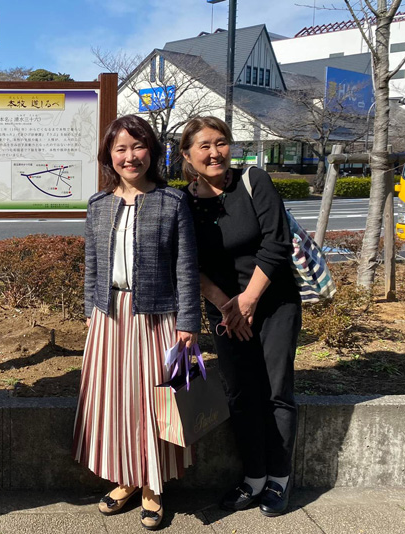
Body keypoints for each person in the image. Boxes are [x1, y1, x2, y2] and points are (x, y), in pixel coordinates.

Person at [72, 114, 200, 530]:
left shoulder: (172, 202)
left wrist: (188, 322)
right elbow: (92, 265)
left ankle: (152, 485)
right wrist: (91, 311)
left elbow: (186, 266)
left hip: (157, 316)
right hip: (110, 317)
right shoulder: (99, 204)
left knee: (152, 404)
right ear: (109, 155)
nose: (130, 156)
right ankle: (125, 478)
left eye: (138, 146)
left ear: (152, 151)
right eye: (121, 148)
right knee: (116, 403)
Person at [180, 116, 301, 517]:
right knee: (240, 395)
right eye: (204, 146)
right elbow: (187, 261)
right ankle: (253, 476)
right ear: (187, 155)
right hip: (225, 312)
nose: (215, 153)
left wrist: (247, 300)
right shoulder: (186, 201)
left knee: (276, 390)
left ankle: (279, 478)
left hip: (273, 301)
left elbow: (276, 242)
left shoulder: (253, 180)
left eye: (221, 142)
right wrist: (225, 305)